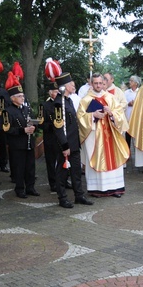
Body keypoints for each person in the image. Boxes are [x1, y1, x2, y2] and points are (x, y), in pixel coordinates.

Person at [77, 73, 130, 197]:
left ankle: (115, 188)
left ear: (103, 83)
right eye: (95, 83)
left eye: (100, 83)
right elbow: (80, 118)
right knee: (96, 159)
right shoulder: (85, 100)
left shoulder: (110, 98)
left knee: (113, 158)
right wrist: (92, 115)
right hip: (94, 137)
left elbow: (120, 114)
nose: (98, 85)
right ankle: (98, 189)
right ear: (91, 83)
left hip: (111, 136)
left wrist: (111, 114)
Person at [48, 70, 94, 208]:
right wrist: (65, 146)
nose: (73, 85)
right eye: (70, 84)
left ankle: (79, 195)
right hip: (65, 145)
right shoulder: (58, 104)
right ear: (63, 87)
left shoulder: (68, 101)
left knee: (76, 171)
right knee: (62, 173)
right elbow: (58, 127)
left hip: (74, 143)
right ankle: (62, 198)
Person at [2, 73, 39, 198]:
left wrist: (34, 127)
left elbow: (33, 120)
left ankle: (30, 187)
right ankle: (19, 189)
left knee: (30, 167)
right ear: (12, 98)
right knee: (19, 168)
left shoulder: (26, 109)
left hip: (29, 142)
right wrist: (22, 130)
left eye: (23, 96)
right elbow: (7, 129)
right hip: (17, 144)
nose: (22, 98)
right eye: (19, 96)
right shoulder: (7, 111)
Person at [42, 82, 61, 192]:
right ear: (50, 93)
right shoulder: (44, 105)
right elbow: (41, 123)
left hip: (61, 137)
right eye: (54, 91)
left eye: (58, 91)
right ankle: (53, 182)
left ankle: (63, 180)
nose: (57, 93)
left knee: (63, 160)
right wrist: (52, 125)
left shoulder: (62, 103)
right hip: (50, 137)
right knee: (51, 161)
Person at [124, 76, 140, 150]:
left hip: (137, 118)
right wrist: (128, 103)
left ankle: (137, 150)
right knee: (128, 135)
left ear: (136, 83)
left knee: (137, 135)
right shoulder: (126, 92)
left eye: (131, 81)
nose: (129, 82)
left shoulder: (140, 92)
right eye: (130, 81)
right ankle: (127, 151)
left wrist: (136, 103)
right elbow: (123, 103)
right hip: (128, 116)